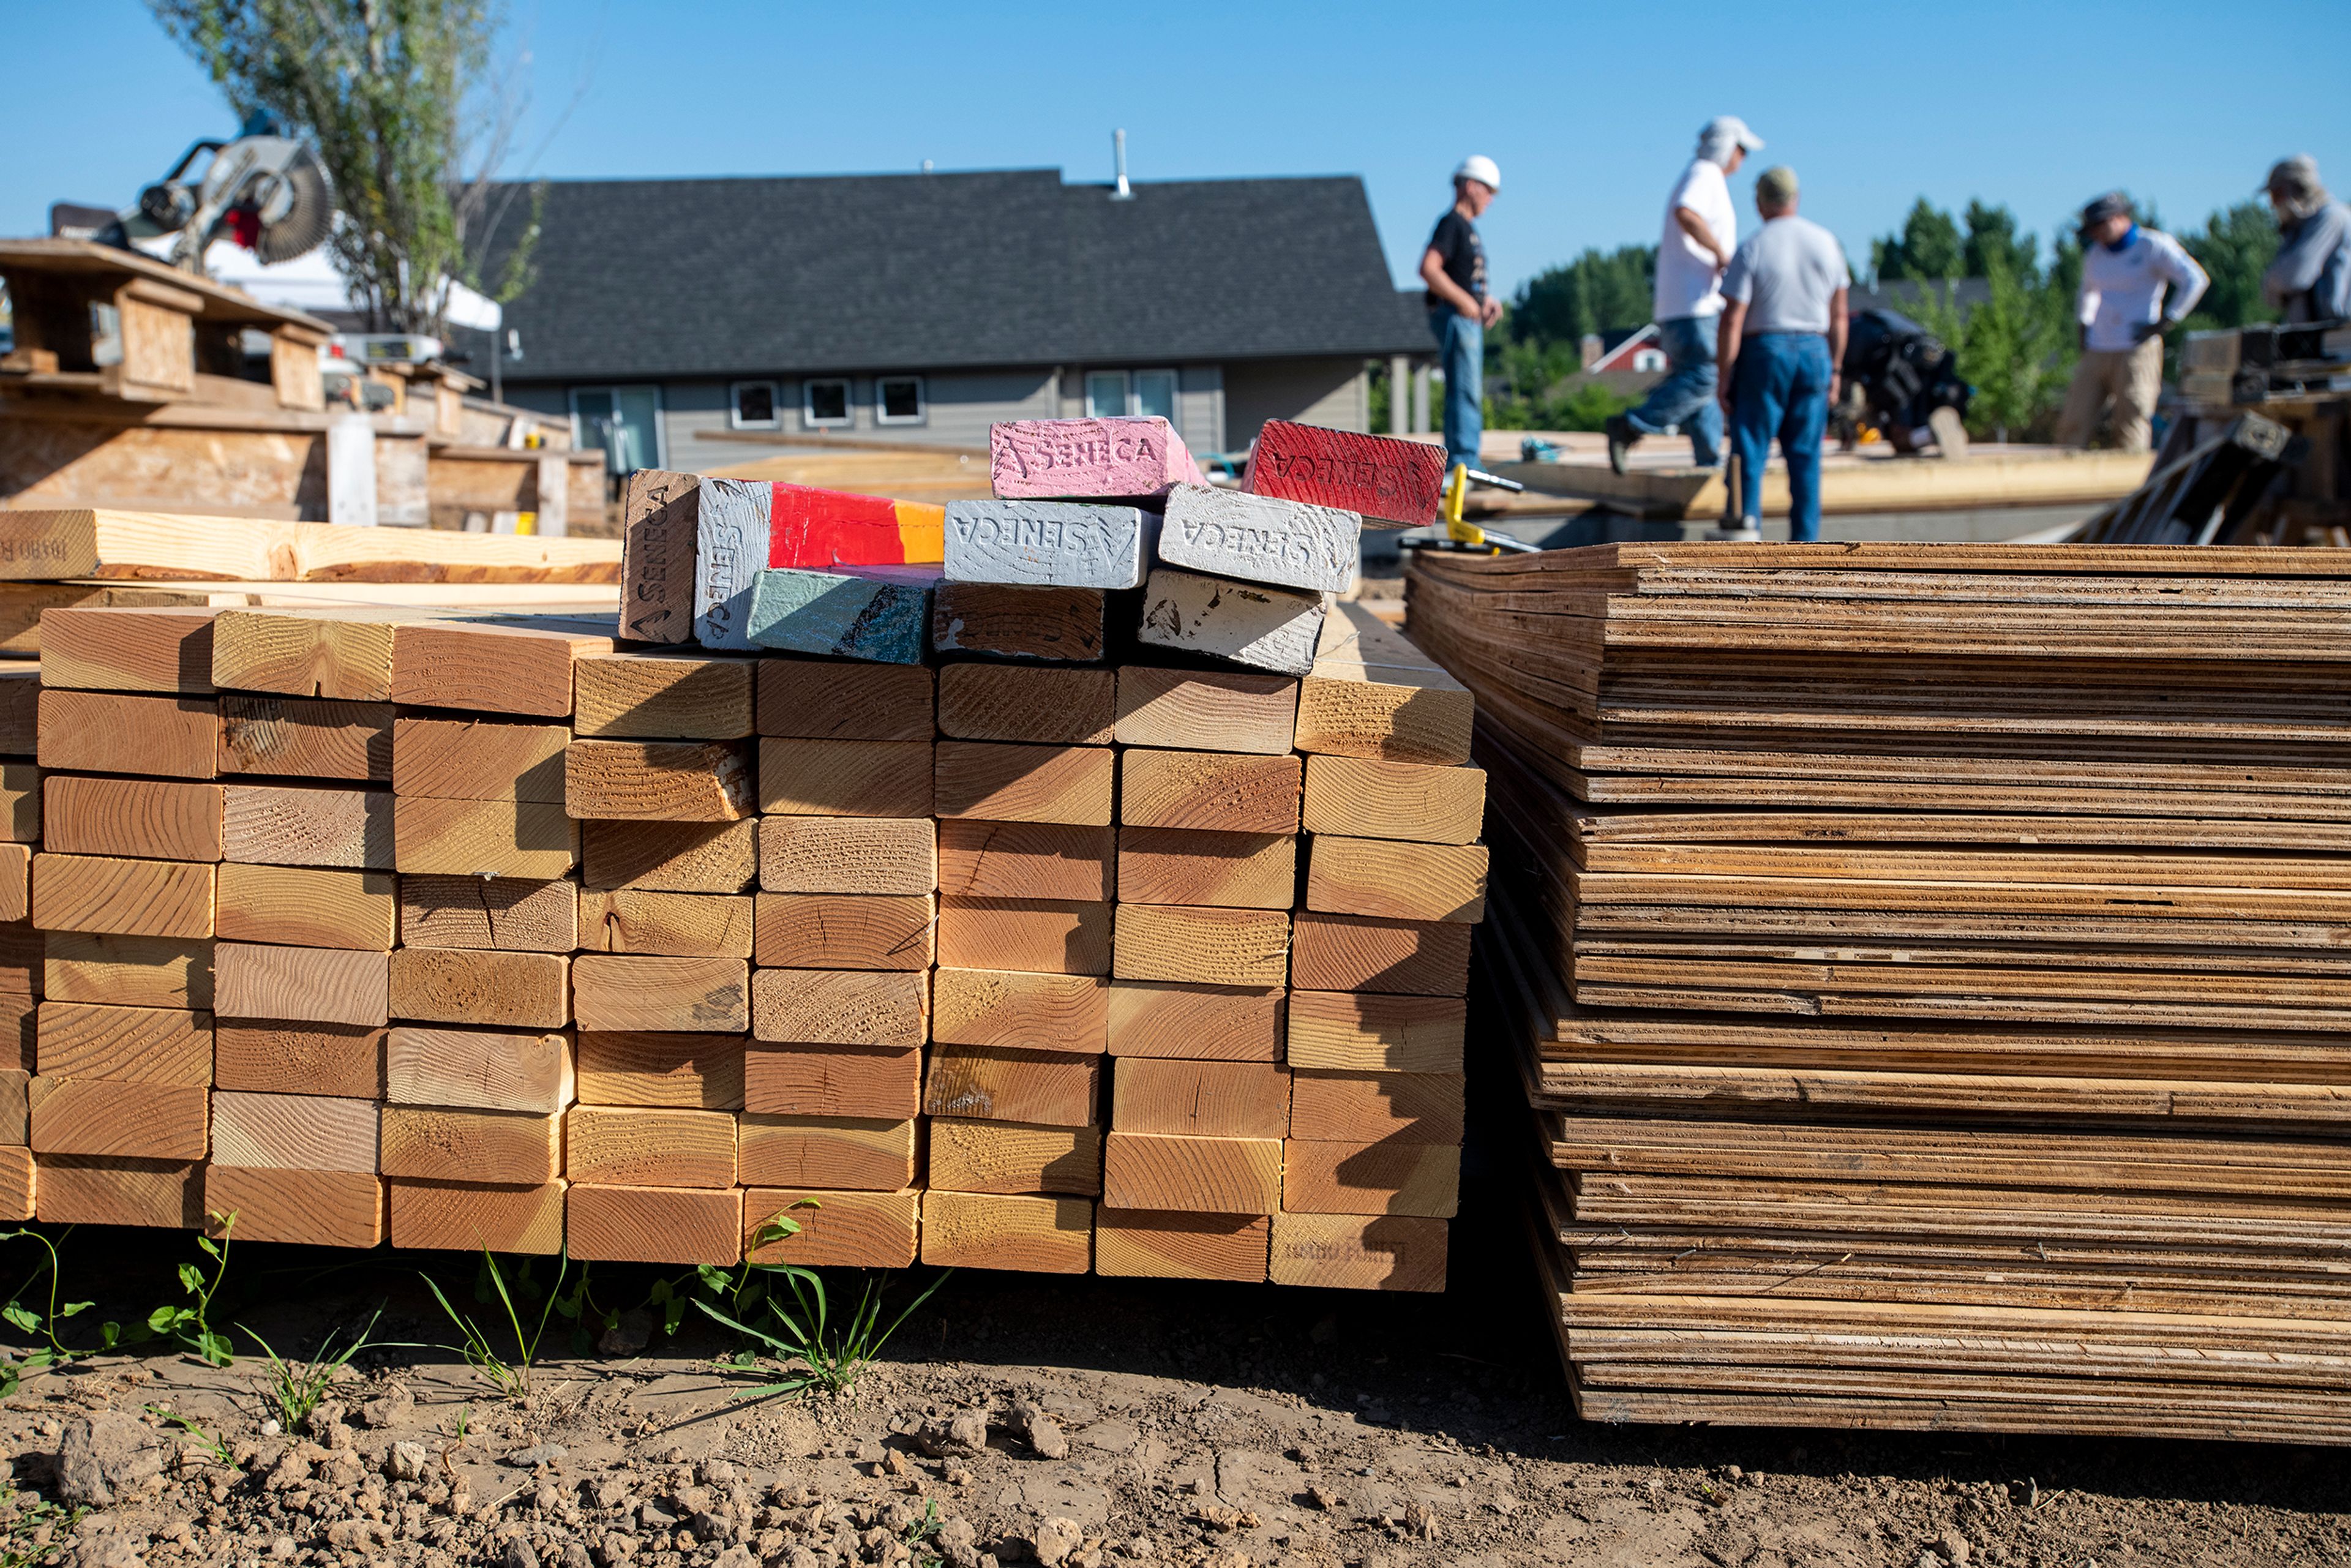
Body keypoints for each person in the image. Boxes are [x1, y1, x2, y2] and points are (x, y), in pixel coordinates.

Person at [1607, 116, 1765, 475]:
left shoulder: (1702, 175)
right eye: (1741, 150)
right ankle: (1633, 425)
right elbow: (1686, 213)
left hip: (1682, 303)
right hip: (1695, 304)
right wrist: (1722, 256)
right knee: (1705, 376)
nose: (1742, 159)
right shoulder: (1705, 175)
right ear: (1728, 148)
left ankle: (1709, 462)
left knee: (1701, 387)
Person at [1715, 165, 1849, 542]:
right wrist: (1835, 371)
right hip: (1814, 350)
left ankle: (1747, 550)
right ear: (1797, 198)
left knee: (1751, 457)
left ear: (1760, 202)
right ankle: (1806, 555)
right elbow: (1840, 316)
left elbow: (1732, 320)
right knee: (1806, 459)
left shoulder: (1754, 246)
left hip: (1765, 352)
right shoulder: (1826, 243)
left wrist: (1724, 377)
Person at [2055, 192, 2207, 453]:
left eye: (2098, 227)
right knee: (2073, 419)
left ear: (2118, 218)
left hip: (2136, 348)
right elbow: (2088, 293)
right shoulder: (2096, 255)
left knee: (2132, 420)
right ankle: (2059, 486)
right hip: (2098, 346)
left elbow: (2195, 279)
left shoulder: (2153, 246)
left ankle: (2129, 488)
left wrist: (2168, 320)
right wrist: (2084, 325)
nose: (2095, 235)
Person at [1420, 156, 1502, 474]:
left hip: (1465, 316)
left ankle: (1463, 460)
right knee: (1465, 390)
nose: (1491, 200)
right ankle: (1464, 461)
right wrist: (1465, 302)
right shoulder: (1452, 223)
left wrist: (1484, 301)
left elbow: (1462, 277)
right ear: (1471, 186)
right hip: (1455, 317)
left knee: (1465, 388)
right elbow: (1429, 269)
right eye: (1489, 191)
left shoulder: (1467, 228)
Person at [2260, 156, 2351, 323]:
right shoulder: (2300, 226)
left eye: (2276, 194)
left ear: (2297, 189)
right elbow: (2270, 298)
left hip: (2340, 336)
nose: (2272, 204)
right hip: (2317, 335)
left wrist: (2273, 280)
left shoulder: (2331, 217)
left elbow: (2293, 276)